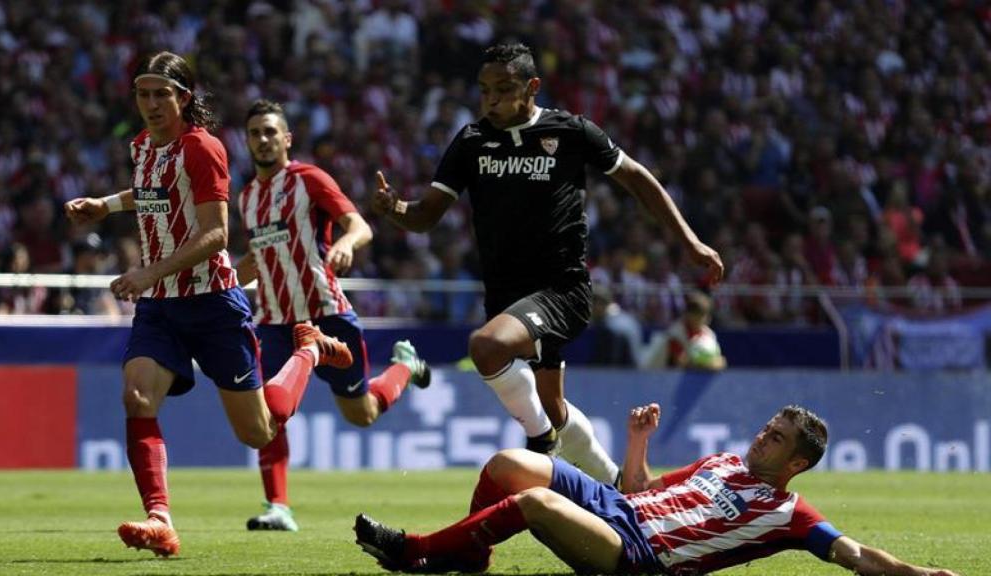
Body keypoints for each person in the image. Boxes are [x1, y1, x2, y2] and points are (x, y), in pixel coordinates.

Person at [372, 43, 724, 484]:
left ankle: (540, 444)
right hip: (507, 296)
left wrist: (690, 242)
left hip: (562, 290)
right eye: (484, 90)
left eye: (503, 88)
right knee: (553, 407)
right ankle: (623, 484)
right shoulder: (471, 142)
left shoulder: (571, 132)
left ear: (532, 87)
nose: (492, 99)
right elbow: (426, 215)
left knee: (486, 348)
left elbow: (636, 178)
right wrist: (394, 208)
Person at [64, 51, 353, 557]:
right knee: (136, 398)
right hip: (160, 306)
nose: (151, 104)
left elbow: (217, 232)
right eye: (143, 93)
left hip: (214, 303)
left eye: (161, 94)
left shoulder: (203, 147)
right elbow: (150, 191)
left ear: (184, 98)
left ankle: (307, 349)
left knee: (258, 431)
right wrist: (104, 206)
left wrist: (148, 271)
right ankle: (161, 520)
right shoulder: (142, 147)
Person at [354, 403, 959, 576]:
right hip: (616, 507)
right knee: (509, 462)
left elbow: (852, 555)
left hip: (637, 556)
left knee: (534, 503)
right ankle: (471, 557)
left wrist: (919, 574)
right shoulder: (721, 462)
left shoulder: (789, 513)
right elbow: (640, 487)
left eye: (775, 439)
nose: (761, 438)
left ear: (796, 463)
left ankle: (420, 552)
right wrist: (637, 441)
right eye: (766, 428)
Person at [235, 99, 431, 532]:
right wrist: (225, 276)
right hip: (273, 321)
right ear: (247, 141)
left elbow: (360, 225)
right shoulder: (246, 198)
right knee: (268, 412)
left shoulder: (310, 180)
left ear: (287, 139)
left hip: (327, 316)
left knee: (359, 414)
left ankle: (404, 366)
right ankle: (278, 507)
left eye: (271, 132)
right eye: (255, 133)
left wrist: (346, 243)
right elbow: (258, 257)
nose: (263, 140)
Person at [643, 290, 727, 371]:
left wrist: (716, 363)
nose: (697, 318)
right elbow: (682, 362)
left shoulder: (709, 335)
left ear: (708, 318)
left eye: (701, 314)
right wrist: (709, 365)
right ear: (687, 314)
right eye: (694, 312)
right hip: (655, 377)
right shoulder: (675, 333)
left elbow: (720, 362)